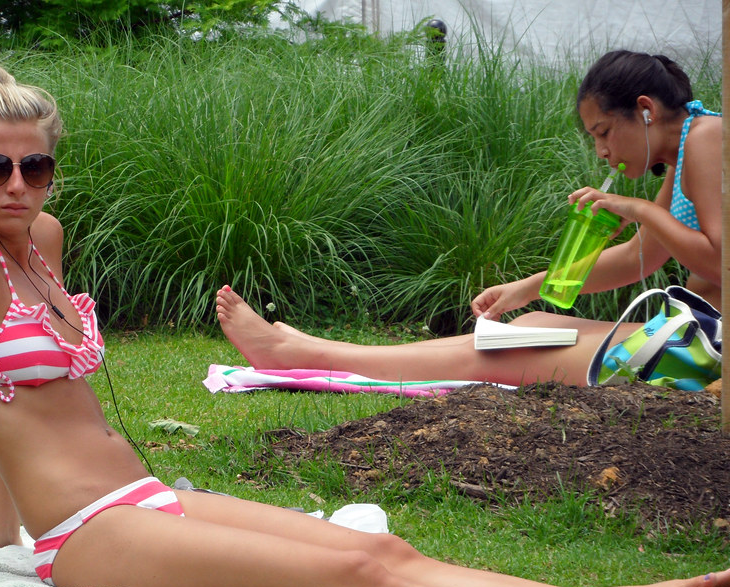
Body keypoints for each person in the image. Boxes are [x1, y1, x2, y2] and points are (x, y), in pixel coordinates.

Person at [0, 64, 729, 587]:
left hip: (143, 495)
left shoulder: (41, 239)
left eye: (35, 167)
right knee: (352, 580)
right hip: (87, 535)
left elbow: (20, 391)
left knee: (379, 548)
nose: (18, 186)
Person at [216, 51, 721, 388]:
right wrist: (527, 287)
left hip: (702, 348)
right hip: (688, 330)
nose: (602, 152)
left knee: (500, 356)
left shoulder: (706, 138)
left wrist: (638, 210)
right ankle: (311, 347)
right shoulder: (685, 151)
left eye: (604, 132)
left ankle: (308, 355)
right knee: (534, 323)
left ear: (645, 110)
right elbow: (640, 258)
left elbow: (720, 264)